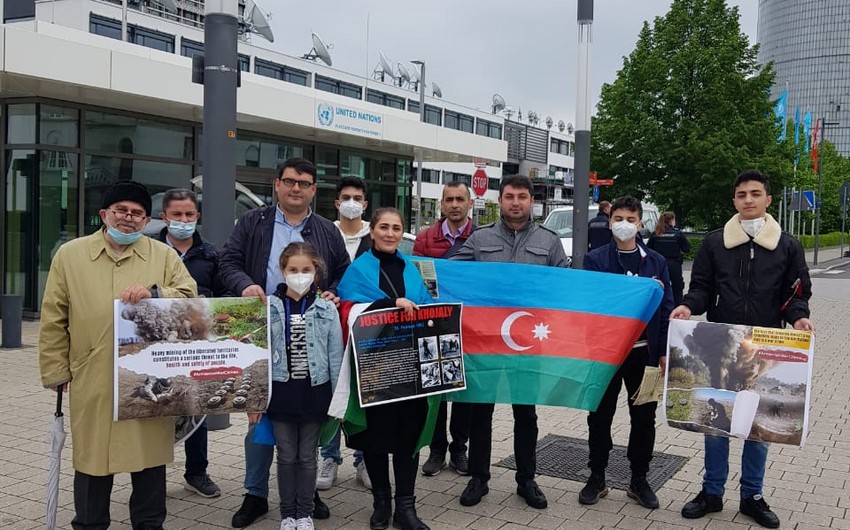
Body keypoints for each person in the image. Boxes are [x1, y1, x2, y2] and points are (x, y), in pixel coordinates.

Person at [39, 180, 197, 530]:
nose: (128, 218)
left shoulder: (163, 255)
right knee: (94, 460)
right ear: (104, 214)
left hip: (147, 379)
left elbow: (189, 295)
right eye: (121, 210)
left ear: (146, 221)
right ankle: (90, 524)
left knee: (149, 463)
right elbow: (53, 316)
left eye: (137, 213)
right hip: (92, 375)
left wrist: (156, 292)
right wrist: (56, 370)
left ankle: (149, 524)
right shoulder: (71, 255)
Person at [671, 170, 814, 529]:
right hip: (722, 344)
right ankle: (712, 492)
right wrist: (689, 305)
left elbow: (795, 295)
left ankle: (752, 495)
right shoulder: (716, 242)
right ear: (733, 201)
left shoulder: (787, 245)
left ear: (768, 199)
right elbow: (702, 286)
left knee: (758, 425)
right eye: (741, 195)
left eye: (755, 193)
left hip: (766, 347)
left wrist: (799, 319)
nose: (748, 200)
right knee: (716, 420)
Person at [219, 157, 350, 528]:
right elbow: (228, 261)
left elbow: (342, 270)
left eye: (304, 183)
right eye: (290, 181)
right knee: (260, 428)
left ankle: (305, 499)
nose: (296, 188)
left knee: (303, 444)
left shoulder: (326, 229)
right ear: (277, 184)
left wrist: (333, 293)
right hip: (264, 328)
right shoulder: (252, 222)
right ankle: (256, 494)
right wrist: (244, 284)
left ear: (313, 190)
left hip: (310, 330)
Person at [451, 175, 569, 509]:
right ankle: (478, 478)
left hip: (529, 343)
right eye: (509, 196)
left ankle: (526, 479)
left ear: (532, 201)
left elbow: (564, 287)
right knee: (480, 410)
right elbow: (451, 276)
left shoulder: (549, 241)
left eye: (521, 196)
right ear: (499, 200)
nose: (515, 202)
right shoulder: (480, 238)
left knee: (526, 414)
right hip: (486, 342)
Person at [338, 207, 440, 530]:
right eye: (384, 226)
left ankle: (406, 508)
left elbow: (426, 307)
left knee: (409, 437)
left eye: (396, 228)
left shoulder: (412, 269)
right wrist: (388, 305)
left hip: (410, 368)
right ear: (372, 231)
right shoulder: (358, 270)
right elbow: (347, 310)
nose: (390, 233)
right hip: (376, 368)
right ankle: (381, 502)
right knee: (376, 438)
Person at [580, 196, 675, 509]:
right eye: (618, 218)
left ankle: (639, 479)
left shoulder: (656, 262)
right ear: (609, 222)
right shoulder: (595, 260)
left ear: (640, 223)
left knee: (644, 418)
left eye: (630, 219)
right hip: (606, 354)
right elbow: (591, 305)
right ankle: (597, 476)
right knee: (599, 415)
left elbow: (667, 309)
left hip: (644, 354)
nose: (623, 224)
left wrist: (663, 351)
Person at [264, 242, 344, 530]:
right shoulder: (269, 307)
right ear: (282, 271)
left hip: (315, 392)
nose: (300, 275)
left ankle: (305, 513)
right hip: (281, 392)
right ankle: (287, 513)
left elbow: (335, 355)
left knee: (308, 455)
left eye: (306, 269)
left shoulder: (326, 308)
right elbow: (259, 354)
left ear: (316, 272)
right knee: (286, 454)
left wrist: (338, 400)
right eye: (293, 269)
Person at [156, 188, 226, 499]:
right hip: (156, 344)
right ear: (164, 217)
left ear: (197, 217)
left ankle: (196, 472)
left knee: (195, 406)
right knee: (156, 407)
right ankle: (151, 474)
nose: (183, 220)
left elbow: (224, 296)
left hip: (196, 344)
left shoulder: (211, 255)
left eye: (189, 215)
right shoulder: (149, 251)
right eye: (176, 215)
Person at [413, 181, 476, 477]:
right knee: (435, 388)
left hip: (470, 326)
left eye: (460, 199)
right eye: (449, 199)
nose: (454, 204)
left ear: (470, 203)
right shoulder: (426, 239)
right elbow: (415, 281)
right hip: (433, 325)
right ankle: (436, 448)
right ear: (441, 204)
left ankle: (459, 448)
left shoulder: (482, 237)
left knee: (463, 389)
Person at [318, 176, 371, 491]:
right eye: (346, 197)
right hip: (328, 327)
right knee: (331, 391)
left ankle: (363, 457)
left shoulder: (373, 236)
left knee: (364, 393)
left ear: (365, 204)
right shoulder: (325, 234)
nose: (352, 202)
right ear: (337, 203)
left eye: (358, 197)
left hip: (364, 329)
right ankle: (329, 456)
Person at [647, 211, 690, 305]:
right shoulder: (678, 234)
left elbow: (648, 250)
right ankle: (677, 309)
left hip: (658, 265)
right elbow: (687, 249)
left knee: (659, 286)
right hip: (674, 264)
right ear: (671, 220)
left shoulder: (655, 234)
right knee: (677, 287)